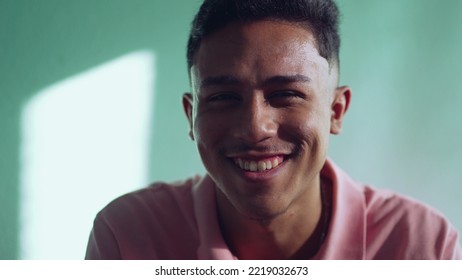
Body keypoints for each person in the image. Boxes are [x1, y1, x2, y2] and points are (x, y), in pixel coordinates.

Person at [85, 0, 461, 259]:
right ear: (190, 115)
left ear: (335, 110)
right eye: (222, 97)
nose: (254, 128)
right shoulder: (127, 238)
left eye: (286, 94)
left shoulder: (425, 246)